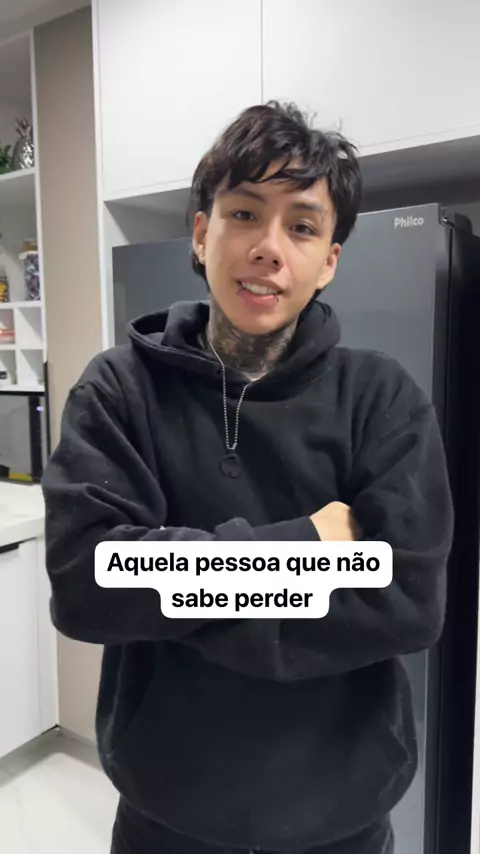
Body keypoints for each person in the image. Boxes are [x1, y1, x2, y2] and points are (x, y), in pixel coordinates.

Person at [42, 101, 453, 854]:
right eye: (244, 214)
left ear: (329, 260)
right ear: (202, 234)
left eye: (302, 226)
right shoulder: (119, 391)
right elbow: (88, 585)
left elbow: (408, 603)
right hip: (167, 815)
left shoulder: (384, 399)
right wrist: (308, 547)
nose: (268, 248)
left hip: (343, 819)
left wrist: (171, 584)